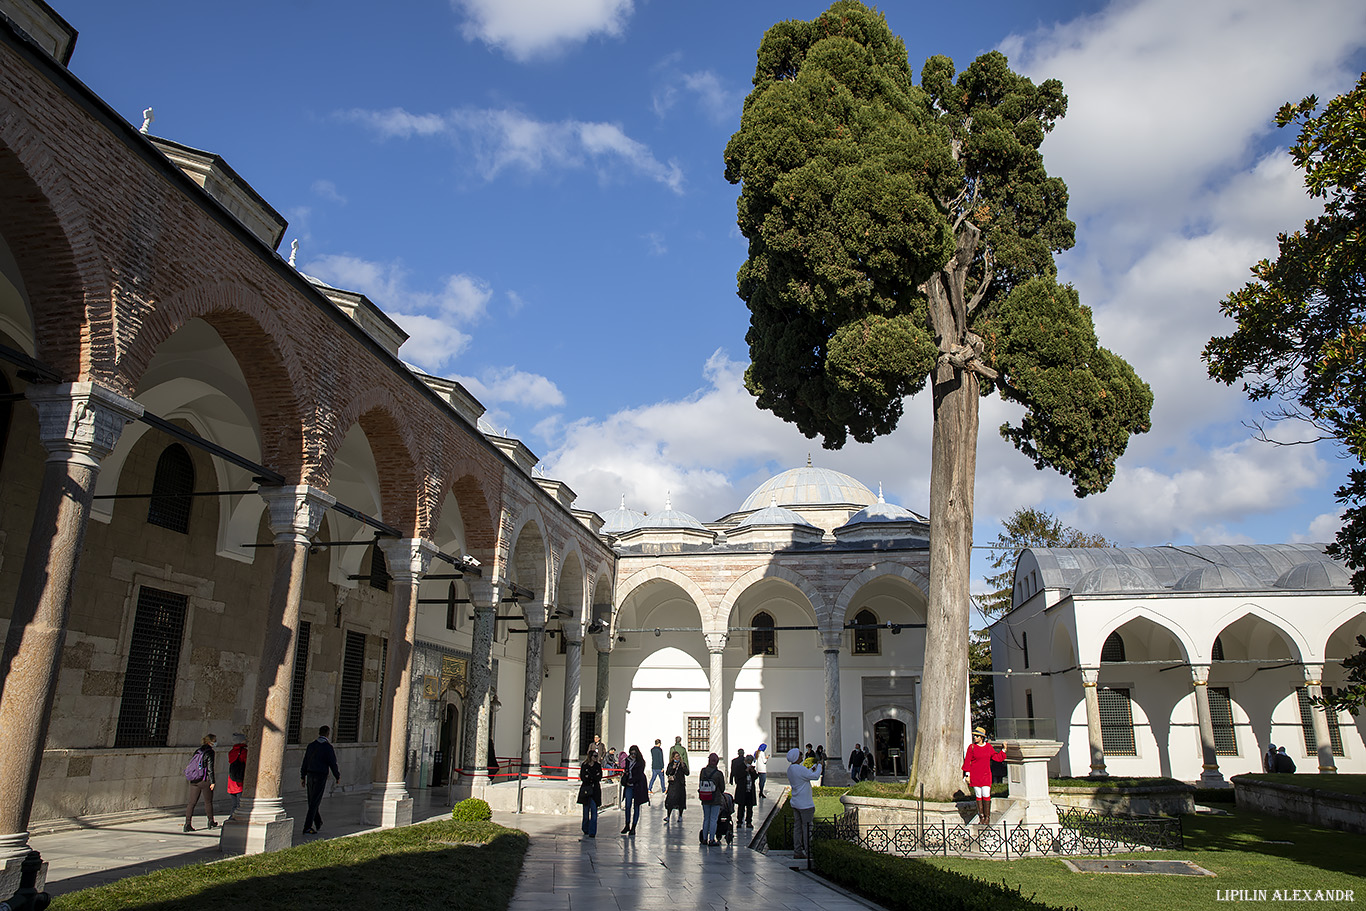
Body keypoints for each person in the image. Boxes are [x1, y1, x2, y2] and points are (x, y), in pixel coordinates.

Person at [300, 725, 341, 835]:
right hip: (320, 776)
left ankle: (317, 821)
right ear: (328, 734)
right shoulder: (328, 747)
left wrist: (302, 776)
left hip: (310, 775)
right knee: (315, 801)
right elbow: (333, 763)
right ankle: (307, 827)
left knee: (312, 800)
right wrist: (337, 776)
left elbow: (305, 761)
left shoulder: (311, 746)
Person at [962, 726, 1006, 825]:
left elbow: (996, 757)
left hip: (985, 775)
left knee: (986, 794)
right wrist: (967, 775)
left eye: (977, 736)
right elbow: (967, 761)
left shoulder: (988, 747)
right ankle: (981, 815)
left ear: (982, 737)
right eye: (974, 736)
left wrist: (1003, 751)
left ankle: (987, 817)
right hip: (975, 775)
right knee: (978, 795)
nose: (975, 738)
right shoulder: (971, 747)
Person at [786, 747, 821, 859]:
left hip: (796, 802)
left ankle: (797, 851)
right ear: (796, 758)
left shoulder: (791, 769)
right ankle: (809, 851)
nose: (802, 756)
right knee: (807, 829)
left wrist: (813, 768)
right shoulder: (799, 769)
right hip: (805, 804)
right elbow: (815, 777)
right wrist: (820, 766)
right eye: (800, 755)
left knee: (797, 828)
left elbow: (806, 775)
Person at [184, 733, 218, 832]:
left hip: (194, 779)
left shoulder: (198, 751)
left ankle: (187, 823)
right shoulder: (210, 752)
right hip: (204, 780)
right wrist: (212, 781)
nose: (215, 742)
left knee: (191, 803)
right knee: (208, 802)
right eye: (214, 741)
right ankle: (211, 821)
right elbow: (210, 768)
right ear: (210, 742)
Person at [697, 753, 727, 846]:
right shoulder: (718, 774)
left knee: (706, 818)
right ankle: (711, 839)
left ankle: (704, 839)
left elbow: (700, 783)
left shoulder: (703, 771)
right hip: (715, 799)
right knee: (713, 819)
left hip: (705, 797)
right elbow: (722, 788)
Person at [621, 745, 649, 835]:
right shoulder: (627, 761)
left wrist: (631, 780)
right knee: (627, 806)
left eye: (634, 753)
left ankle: (634, 826)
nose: (633, 755)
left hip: (637, 785)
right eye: (631, 753)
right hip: (628, 786)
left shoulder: (640, 762)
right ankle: (627, 824)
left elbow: (639, 774)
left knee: (636, 806)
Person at [578, 751, 603, 838]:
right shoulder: (585, 765)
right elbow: (583, 777)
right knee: (585, 813)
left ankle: (592, 832)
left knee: (594, 812)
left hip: (595, 791)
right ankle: (585, 829)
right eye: (594, 756)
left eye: (597, 756)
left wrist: (590, 777)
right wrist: (592, 777)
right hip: (586, 791)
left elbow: (599, 777)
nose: (596, 758)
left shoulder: (598, 766)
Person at [227, 731, 248, 817]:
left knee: (234, 804)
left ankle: (231, 817)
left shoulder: (232, 752)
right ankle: (235, 819)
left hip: (232, 781)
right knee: (240, 805)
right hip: (240, 781)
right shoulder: (243, 752)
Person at [664, 751, 688, 824]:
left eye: (678, 756)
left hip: (680, 785)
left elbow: (687, 773)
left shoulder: (682, 764)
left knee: (681, 801)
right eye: (676, 756)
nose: (678, 758)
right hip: (673, 785)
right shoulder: (671, 764)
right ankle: (668, 816)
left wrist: (684, 768)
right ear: (673, 757)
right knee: (670, 801)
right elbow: (667, 772)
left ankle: (680, 815)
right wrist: (672, 768)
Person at [734, 754, 758, 829]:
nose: (750, 763)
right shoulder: (740, 766)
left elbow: (755, 777)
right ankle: (739, 821)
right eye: (749, 762)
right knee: (741, 806)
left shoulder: (751, 768)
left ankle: (749, 821)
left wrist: (752, 771)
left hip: (749, 790)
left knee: (749, 807)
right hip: (742, 790)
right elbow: (738, 776)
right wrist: (746, 771)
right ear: (746, 760)